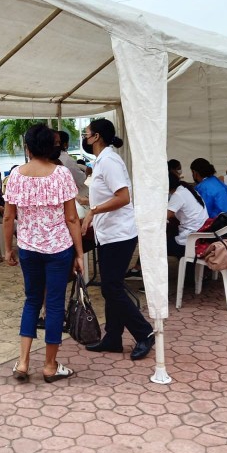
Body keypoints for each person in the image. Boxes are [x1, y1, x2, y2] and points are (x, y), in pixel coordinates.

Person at [4, 124, 83, 383]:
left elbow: (8, 217)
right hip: (59, 249)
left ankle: (24, 362)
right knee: (54, 305)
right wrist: (79, 253)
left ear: (27, 147)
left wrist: (7, 248)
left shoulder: (16, 175)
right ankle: (50, 365)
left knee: (31, 301)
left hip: (28, 247)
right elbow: (72, 218)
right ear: (52, 147)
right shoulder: (61, 174)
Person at [80, 118, 154, 361]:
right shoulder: (102, 161)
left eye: (87, 133)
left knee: (111, 287)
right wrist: (86, 204)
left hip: (119, 234)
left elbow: (123, 197)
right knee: (111, 287)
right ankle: (112, 337)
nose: (85, 137)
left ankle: (145, 332)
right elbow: (107, 196)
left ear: (97, 137)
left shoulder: (109, 161)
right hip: (109, 233)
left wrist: (93, 211)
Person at [167, 171, 209, 258]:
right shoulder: (187, 189)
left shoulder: (178, 195)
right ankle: (187, 269)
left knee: (153, 246)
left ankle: (137, 269)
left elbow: (163, 217)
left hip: (190, 240)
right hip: (201, 235)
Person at [58, 130, 91, 209]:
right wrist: (87, 172)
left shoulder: (49, 160)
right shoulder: (67, 160)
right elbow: (80, 179)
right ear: (66, 144)